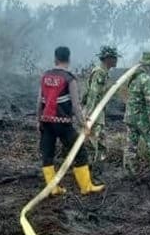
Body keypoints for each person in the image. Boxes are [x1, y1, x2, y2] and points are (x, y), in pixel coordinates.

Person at [37, 46, 104, 195]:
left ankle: (52, 188)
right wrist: (84, 124)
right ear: (69, 59)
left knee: (47, 155)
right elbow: (75, 105)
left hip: (46, 122)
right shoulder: (69, 79)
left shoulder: (45, 76)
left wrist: (39, 121)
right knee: (80, 153)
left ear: (55, 58)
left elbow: (39, 101)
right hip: (62, 124)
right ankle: (86, 187)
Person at [123, 52, 150, 176]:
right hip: (142, 119)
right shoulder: (146, 79)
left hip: (130, 117)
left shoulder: (134, 78)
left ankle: (129, 175)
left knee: (131, 147)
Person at [81, 46, 120, 165]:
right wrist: (88, 114)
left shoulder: (104, 72)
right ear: (108, 59)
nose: (116, 60)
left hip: (98, 111)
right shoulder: (99, 73)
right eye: (114, 58)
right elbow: (93, 94)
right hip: (94, 112)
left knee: (100, 138)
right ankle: (92, 165)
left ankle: (98, 163)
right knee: (94, 139)